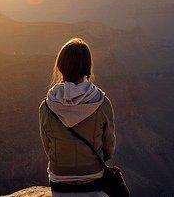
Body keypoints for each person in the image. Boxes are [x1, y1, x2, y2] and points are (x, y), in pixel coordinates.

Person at [39, 38, 116, 197]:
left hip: (59, 180)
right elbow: (109, 146)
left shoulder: (46, 106)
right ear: (87, 67)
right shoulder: (102, 103)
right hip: (93, 177)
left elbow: (47, 146)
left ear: (60, 67)